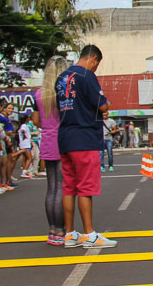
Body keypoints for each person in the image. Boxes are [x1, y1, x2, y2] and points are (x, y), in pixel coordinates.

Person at [56, 45, 117, 249]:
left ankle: (70, 233)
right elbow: (102, 105)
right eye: (97, 64)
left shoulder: (61, 78)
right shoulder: (87, 76)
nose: (96, 68)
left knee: (69, 187)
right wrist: (105, 107)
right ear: (93, 59)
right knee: (85, 188)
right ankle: (90, 234)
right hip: (84, 138)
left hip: (65, 137)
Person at [38, 55, 69, 245]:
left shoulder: (39, 95)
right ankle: (61, 230)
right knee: (62, 187)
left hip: (46, 141)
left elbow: (36, 121)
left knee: (51, 187)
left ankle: (52, 229)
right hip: (62, 140)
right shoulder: (62, 94)